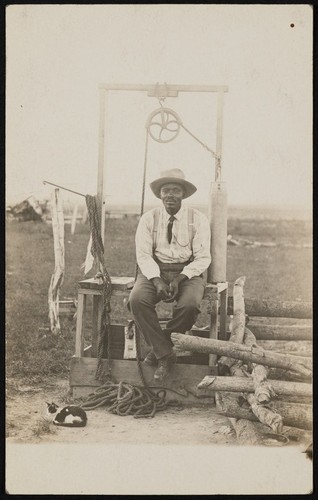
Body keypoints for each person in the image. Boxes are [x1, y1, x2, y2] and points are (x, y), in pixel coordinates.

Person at [128, 168, 211, 381]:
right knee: (137, 300)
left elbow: (203, 257)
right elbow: (143, 255)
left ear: (183, 194)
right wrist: (156, 280)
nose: (170, 195)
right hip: (154, 270)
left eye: (175, 190)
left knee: (189, 305)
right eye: (166, 190)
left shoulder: (197, 219)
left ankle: (160, 345)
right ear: (160, 194)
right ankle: (166, 354)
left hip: (189, 272)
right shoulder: (149, 219)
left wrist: (180, 278)